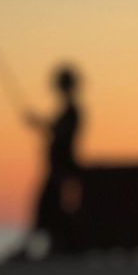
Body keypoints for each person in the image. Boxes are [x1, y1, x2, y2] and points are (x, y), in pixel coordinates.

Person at [12, 65, 83, 259]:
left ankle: (47, 247)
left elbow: (61, 133)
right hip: (59, 168)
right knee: (49, 207)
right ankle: (52, 246)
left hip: (61, 169)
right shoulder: (70, 111)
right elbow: (56, 130)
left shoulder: (72, 111)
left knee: (48, 206)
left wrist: (40, 124)